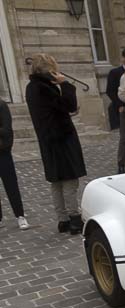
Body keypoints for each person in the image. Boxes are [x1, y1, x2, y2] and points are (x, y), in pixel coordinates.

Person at [25, 53, 86, 235]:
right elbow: (68, 104)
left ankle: (63, 219)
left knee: (56, 181)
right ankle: (74, 218)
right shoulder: (45, 88)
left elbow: (55, 110)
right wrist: (65, 84)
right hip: (61, 138)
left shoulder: (32, 87)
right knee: (69, 180)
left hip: (47, 139)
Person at [0, 97, 29, 230]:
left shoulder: (2, 105)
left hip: (2, 152)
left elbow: (7, 130)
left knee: (11, 185)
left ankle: (20, 216)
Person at [106, 48, 125, 173]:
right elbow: (110, 91)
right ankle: (121, 163)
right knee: (124, 137)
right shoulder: (115, 72)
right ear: (123, 58)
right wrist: (119, 105)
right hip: (124, 108)